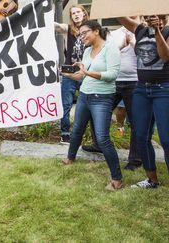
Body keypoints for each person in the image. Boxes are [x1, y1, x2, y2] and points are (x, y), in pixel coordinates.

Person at [61, 21, 122, 190]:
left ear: (96, 31)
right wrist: (65, 74)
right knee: (77, 130)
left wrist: (86, 71)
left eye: (84, 33)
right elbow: (82, 76)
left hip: (102, 98)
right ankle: (70, 158)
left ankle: (117, 178)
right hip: (84, 96)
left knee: (102, 138)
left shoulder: (110, 48)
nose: (81, 37)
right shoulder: (87, 51)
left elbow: (112, 75)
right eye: (79, 34)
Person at [82, 19, 143, 171]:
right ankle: (98, 144)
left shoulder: (143, 33)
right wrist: (121, 45)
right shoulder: (114, 33)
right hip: (114, 82)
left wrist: (132, 42)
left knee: (134, 121)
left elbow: (146, 55)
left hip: (134, 81)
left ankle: (135, 159)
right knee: (95, 112)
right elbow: (107, 52)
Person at [118, 15, 169, 188]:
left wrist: (156, 32)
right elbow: (119, 15)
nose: (149, 17)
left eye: (153, 15)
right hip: (141, 89)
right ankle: (152, 180)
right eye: (147, 15)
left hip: (163, 89)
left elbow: (165, 56)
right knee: (141, 136)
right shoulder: (140, 29)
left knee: (166, 139)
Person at [54, 4, 89, 144]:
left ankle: (82, 133)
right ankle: (65, 133)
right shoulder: (68, 30)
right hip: (70, 72)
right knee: (66, 104)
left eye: (78, 12)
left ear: (84, 13)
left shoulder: (92, 29)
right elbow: (55, 25)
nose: (76, 15)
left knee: (87, 104)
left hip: (86, 71)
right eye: (73, 13)